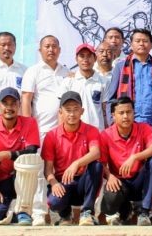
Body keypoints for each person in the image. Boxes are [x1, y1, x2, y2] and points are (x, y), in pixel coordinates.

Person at [21, 35, 70, 225]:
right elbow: (26, 99)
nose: (51, 49)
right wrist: (28, 129)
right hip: (40, 131)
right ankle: (39, 213)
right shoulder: (33, 71)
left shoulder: (66, 72)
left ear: (59, 49)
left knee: (60, 171)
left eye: (54, 46)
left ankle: (60, 214)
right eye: (47, 46)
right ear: (40, 50)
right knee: (40, 173)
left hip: (63, 132)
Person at [0, 88, 40, 225]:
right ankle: (13, 213)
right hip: (0, 180)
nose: (9, 107)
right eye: (5, 103)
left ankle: (24, 211)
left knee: (29, 161)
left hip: (23, 178)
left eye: (13, 103)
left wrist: (7, 154)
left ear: (19, 105)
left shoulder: (30, 122)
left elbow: (32, 151)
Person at [42, 91, 103, 226]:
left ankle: (87, 212)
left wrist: (76, 163)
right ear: (60, 112)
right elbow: (47, 170)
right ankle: (65, 215)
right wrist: (54, 184)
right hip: (63, 182)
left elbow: (96, 153)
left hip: (83, 182)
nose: (72, 114)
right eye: (68, 110)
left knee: (97, 165)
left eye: (76, 109)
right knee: (54, 202)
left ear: (82, 111)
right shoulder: (51, 135)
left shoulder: (91, 130)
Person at [100, 96, 152, 226]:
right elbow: (101, 163)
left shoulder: (143, 128)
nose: (125, 116)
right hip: (119, 181)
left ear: (134, 113)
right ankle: (125, 210)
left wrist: (134, 157)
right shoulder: (106, 135)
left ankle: (144, 211)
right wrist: (109, 175)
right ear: (113, 115)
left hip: (139, 180)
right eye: (121, 113)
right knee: (111, 200)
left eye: (129, 112)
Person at [107, 28, 152, 131]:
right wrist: (113, 121)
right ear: (131, 44)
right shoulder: (121, 67)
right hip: (127, 126)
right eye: (137, 41)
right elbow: (111, 98)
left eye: (145, 41)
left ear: (151, 45)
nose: (141, 44)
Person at [60, 44, 109, 130]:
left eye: (89, 56)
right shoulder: (68, 81)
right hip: (74, 132)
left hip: (97, 131)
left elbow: (106, 111)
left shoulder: (104, 81)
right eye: (82, 56)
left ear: (95, 58)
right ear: (76, 59)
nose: (85, 60)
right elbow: (61, 111)